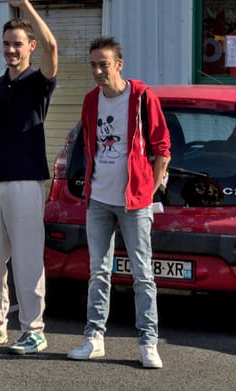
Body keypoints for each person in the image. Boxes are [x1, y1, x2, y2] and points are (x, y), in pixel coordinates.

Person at [0, 0, 60, 355]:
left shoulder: (39, 81)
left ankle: (34, 330)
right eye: (7, 43)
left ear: (30, 46)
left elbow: (53, 48)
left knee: (26, 261)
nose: (11, 50)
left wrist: (26, 7)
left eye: (18, 44)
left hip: (25, 180)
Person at [68, 36, 171, 369]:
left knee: (142, 274)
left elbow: (162, 149)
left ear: (119, 65)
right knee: (98, 272)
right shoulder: (90, 101)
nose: (98, 70)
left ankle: (148, 343)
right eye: (93, 64)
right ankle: (93, 338)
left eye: (104, 64)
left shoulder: (141, 97)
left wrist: (149, 189)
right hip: (98, 199)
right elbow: (89, 145)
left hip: (133, 202)